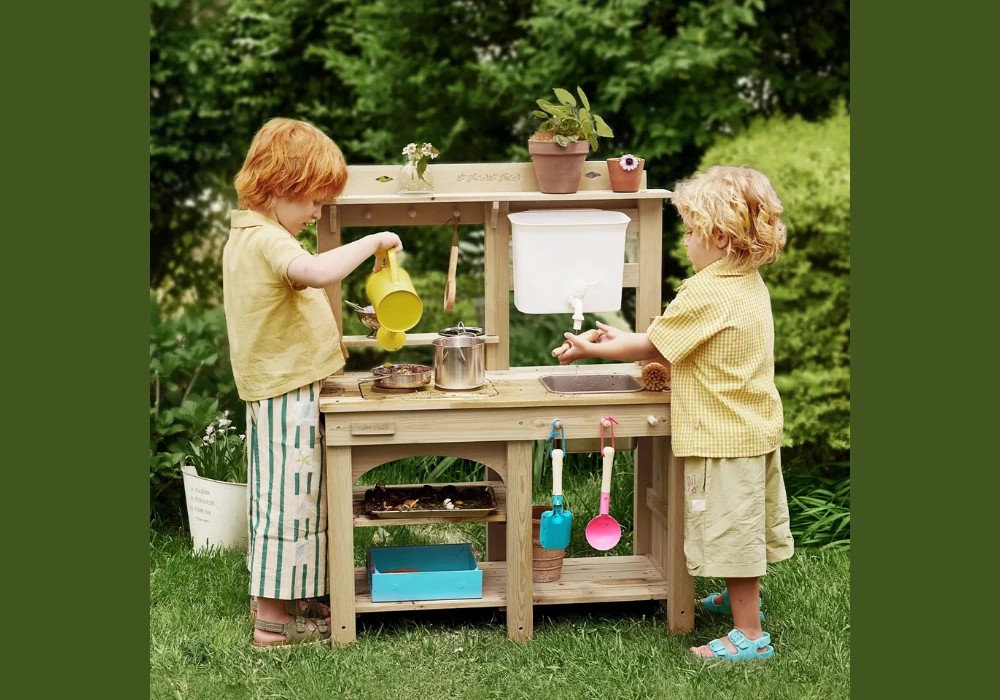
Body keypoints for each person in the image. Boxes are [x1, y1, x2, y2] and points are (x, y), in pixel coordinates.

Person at [558, 165, 794, 661]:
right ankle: (737, 599)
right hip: (753, 427)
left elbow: (654, 343)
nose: (684, 243)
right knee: (745, 523)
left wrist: (592, 349)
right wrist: (623, 341)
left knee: (731, 534)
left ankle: (749, 637)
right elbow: (669, 342)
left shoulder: (708, 290)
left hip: (724, 435)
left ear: (720, 237)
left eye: (689, 232)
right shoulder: (745, 281)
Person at [223, 117, 402, 648]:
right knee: (289, 501)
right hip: (283, 393)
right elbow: (316, 274)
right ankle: (274, 620)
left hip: (286, 387)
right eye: (314, 202)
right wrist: (371, 242)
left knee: (300, 497)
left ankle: (294, 596)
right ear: (280, 187)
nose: (318, 214)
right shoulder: (265, 239)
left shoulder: (257, 236)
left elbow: (297, 296)